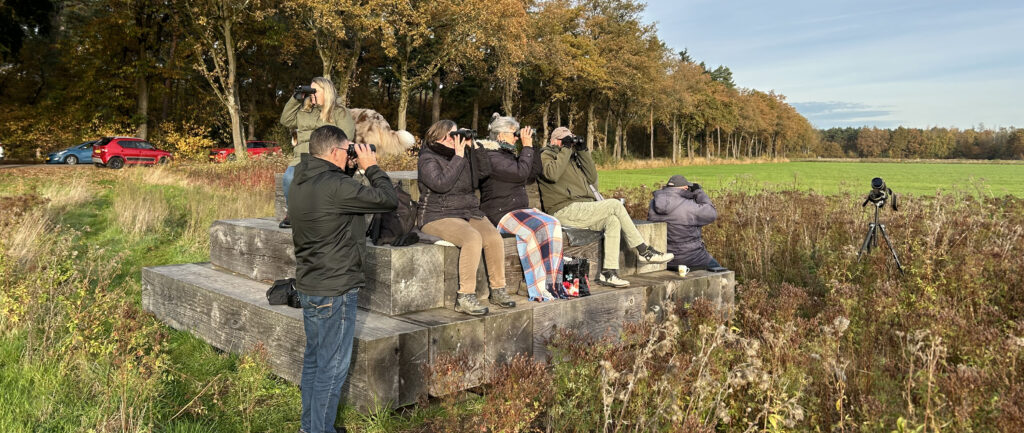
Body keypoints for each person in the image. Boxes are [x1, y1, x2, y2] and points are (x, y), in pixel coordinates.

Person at [288, 125, 397, 433]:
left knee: (314, 362)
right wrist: (371, 167)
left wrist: (348, 168)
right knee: (332, 369)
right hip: (335, 288)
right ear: (336, 151)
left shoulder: (300, 178)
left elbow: (334, 194)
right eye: (348, 148)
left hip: (311, 284)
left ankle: (309, 427)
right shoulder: (336, 186)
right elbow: (387, 199)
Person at [538, 127, 673, 288]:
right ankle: (644, 250)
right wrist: (566, 149)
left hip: (582, 208)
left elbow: (592, 177)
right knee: (614, 204)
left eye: (570, 140)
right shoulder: (545, 155)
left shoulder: (572, 157)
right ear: (554, 141)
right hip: (563, 210)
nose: (569, 143)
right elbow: (552, 174)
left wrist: (583, 151)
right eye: (564, 140)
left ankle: (608, 273)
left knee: (612, 221)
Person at [417, 119, 513, 316]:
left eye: (456, 134)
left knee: (493, 238)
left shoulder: (462, 154)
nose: (455, 139)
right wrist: (459, 157)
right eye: (452, 135)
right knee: (472, 237)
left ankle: (498, 290)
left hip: (467, 211)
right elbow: (441, 184)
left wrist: (474, 147)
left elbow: (484, 172)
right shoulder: (427, 158)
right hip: (437, 214)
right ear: (439, 136)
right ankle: (465, 296)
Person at [478, 114, 563, 301]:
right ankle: (535, 287)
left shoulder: (507, 154)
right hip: (500, 213)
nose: (517, 137)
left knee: (553, 223)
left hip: (518, 211)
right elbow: (520, 173)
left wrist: (533, 145)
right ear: (500, 135)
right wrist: (526, 147)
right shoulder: (490, 156)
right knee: (533, 230)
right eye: (513, 134)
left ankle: (551, 283)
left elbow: (532, 174)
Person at [279, 77, 357, 228]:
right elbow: (286, 120)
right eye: (311, 91)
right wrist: (295, 99)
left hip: (326, 156)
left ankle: (317, 215)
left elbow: (346, 137)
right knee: (289, 177)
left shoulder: (339, 112)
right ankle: (293, 213)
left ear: (326, 92)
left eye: (315, 91)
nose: (312, 94)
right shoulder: (305, 111)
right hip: (302, 157)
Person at [647, 174, 722, 271]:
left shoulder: (653, 203)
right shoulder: (690, 206)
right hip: (691, 257)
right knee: (718, 269)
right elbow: (712, 213)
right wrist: (699, 192)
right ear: (686, 188)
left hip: (663, 256)